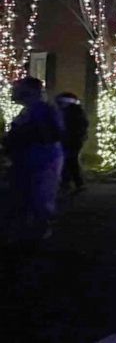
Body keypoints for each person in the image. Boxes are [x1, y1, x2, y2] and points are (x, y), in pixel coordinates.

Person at [2, 77, 64, 240]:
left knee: (40, 196)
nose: (13, 92)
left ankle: (38, 231)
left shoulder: (41, 111)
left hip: (40, 158)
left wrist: (19, 138)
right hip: (30, 158)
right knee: (28, 195)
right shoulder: (31, 111)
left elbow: (50, 134)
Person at [55, 92, 88, 191]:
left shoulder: (70, 113)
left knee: (68, 161)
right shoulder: (77, 112)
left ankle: (69, 183)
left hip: (70, 141)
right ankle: (75, 183)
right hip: (73, 141)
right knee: (71, 161)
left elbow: (69, 128)